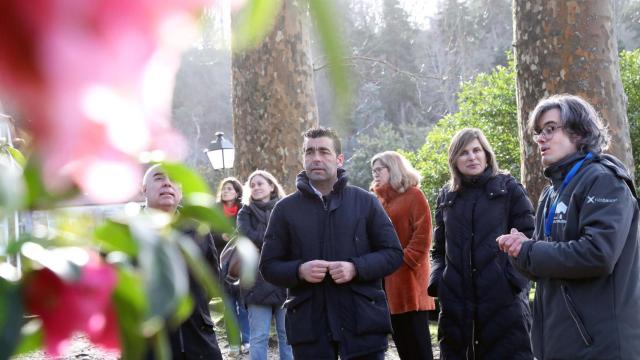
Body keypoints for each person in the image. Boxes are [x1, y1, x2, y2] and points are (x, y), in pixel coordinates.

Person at [497, 94, 640, 359]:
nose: (541, 138)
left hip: (600, 346)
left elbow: (599, 254)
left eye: (550, 129)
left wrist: (531, 250)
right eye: (539, 132)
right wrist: (520, 252)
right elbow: (545, 265)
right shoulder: (551, 192)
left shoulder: (605, 181)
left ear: (579, 132)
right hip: (560, 342)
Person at [260, 127, 403, 360]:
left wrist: (356, 267)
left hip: (362, 323)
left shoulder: (365, 202)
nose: (316, 158)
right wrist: (299, 270)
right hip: (309, 328)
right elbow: (268, 266)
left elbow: (393, 253)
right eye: (309, 152)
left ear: (339, 159)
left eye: (324, 151)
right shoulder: (285, 209)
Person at [428, 128, 534, 359]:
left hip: (504, 306)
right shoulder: (447, 195)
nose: (472, 157)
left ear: (487, 154)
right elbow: (438, 249)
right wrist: (440, 283)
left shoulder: (509, 188)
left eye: (477, 150)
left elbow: (529, 239)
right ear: (454, 159)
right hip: (456, 308)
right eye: (464, 152)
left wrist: (512, 283)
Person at [141, 164, 223, 360]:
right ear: (143, 189)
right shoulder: (127, 231)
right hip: (150, 343)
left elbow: (213, 281)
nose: (168, 183)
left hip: (198, 338)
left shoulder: (198, 230)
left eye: (173, 180)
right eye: (159, 178)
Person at [370, 151, 435, 360]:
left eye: (379, 169)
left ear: (393, 168)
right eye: (374, 170)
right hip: (386, 284)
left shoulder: (413, 195)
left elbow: (423, 237)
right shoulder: (378, 201)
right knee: (403, 346)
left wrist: (399, 261)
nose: (375, 174)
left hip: (411, 281)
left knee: (420, 348)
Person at [236, 170, 292, 360]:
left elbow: (292, 239)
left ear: (271, 186)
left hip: (285, 280)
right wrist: (275, 241)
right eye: (252, 185)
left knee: (288, 336)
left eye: (260, 183)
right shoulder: (244, 212)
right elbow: (247, 238)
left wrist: (267, 243)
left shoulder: (285, 208)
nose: (256, 187)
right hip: (255, 282)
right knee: (258, 337)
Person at [213, 177, 251, 354]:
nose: (226, 191)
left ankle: (247, 341)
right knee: (228, 307)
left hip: (242, 265)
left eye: (229, 188)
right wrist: (221, 237)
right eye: (223, 189)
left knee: (243, 306)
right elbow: (207, 235)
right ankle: (234, 344)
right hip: (222, 266)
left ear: (237, 192)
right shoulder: (214, 212)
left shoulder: (244, 211)